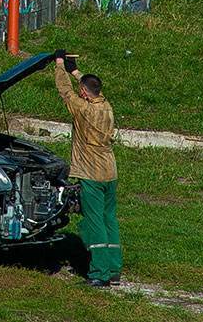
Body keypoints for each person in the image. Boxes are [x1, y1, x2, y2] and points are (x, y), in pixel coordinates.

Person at [54, 50, 121, 287]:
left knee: (94, 223)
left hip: (91, 173)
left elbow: (65, 91)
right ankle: (114, 269)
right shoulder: (106, 106)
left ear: (84, 93)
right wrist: (75, 71)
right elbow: (89, 87)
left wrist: (60, 65)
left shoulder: (83, 110)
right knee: (109, 219)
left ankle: (99, 273)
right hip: (110, 172)